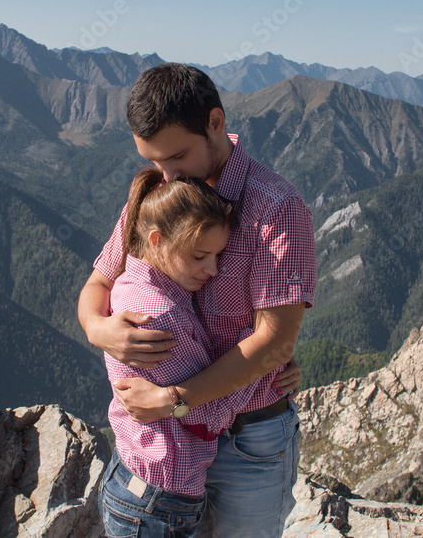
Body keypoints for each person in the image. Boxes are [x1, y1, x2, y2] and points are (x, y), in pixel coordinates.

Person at [79, 62, 317, 536]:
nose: (167, 174)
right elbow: (98, 285)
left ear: (216, 122)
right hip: (166, 447)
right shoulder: (161, 198)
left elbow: (274, 344)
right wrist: (98, 329)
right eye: (154, 162)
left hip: (247, 439)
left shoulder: (277, 209)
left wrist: (174, 400)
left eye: (178, 156)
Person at [100, 167, 286, 537]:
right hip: (161, 498)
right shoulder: (161, 316)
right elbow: (207, 414)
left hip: (136, 482)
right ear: (156, 240)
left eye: (217, 256)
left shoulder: (131, 282)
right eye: (200, 256)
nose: (213, 269)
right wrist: (265, 362)